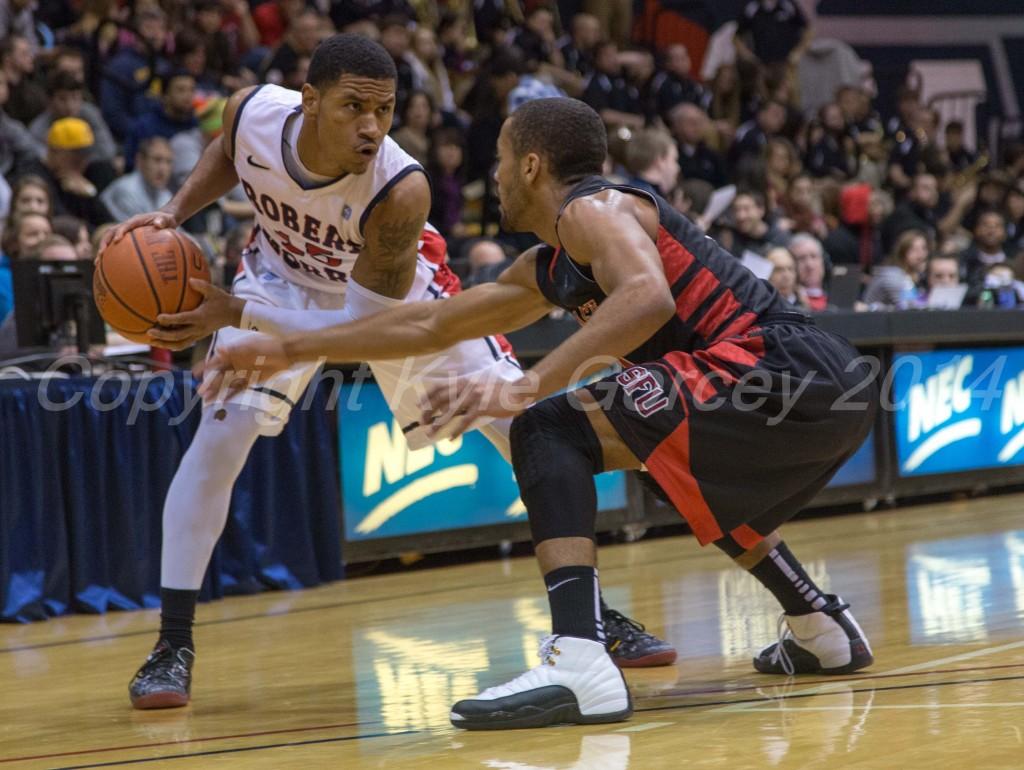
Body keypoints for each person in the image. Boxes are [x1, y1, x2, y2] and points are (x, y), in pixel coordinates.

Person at [206, 97, 878, 730]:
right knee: (662, 457)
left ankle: (580, 658)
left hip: (782, 365)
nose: (491, 177)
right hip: (828, 387)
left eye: (499, 159)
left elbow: (647, 297)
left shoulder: (595, 208)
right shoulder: (550, 265)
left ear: (530, 164)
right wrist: (286, 345)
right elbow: (430, 325)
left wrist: (525, 386)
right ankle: (821, 627)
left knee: (547, 426)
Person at [110, 36, 672, 712]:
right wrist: (173, 213)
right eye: (354, 107)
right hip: (280, 280)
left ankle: (592, 617)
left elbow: (360, 330)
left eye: (385, 109)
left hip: (396, 301)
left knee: (521, 428)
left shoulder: (399, 189)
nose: (372, 126)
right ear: (310, 101)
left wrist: (238, 317)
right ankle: (172, 645)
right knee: (217, 439)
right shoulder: (249, 110)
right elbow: (230, 155)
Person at [863, 229, 928, 309]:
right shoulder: (893, 275)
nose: (921, 255)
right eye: (913, 250)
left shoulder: (920, 275)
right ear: (902, 253)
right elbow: (909, 308)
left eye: (923, 248)